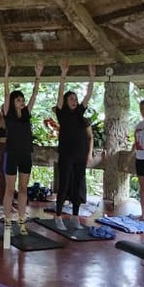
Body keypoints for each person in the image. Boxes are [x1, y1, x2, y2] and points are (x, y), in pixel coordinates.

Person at [1, 62, 42, 236]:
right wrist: (7, 74)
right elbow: (6, 93)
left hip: (26, 154)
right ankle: (7, 220)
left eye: (22, 100)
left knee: (23, 189)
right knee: (10, 190)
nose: (22, 102)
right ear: (12, 102)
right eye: (18, 99)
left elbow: (34, 94)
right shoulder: (7, 113)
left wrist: (37, 75)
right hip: (11, 154)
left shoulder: (26, 114)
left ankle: (21, 220)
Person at [52, 62, 95, 230]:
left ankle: (75, 216)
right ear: (65, 101)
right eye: (71, 99)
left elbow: (88, 95)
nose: (75, 101)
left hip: (80, 154)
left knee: (78, 184)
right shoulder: (62, 114)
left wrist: (91, 76)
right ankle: (58, 216)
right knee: (64, 184)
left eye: (75, 99)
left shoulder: (80, 114)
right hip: (66, 154)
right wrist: (63, 74)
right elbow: (60, 93)